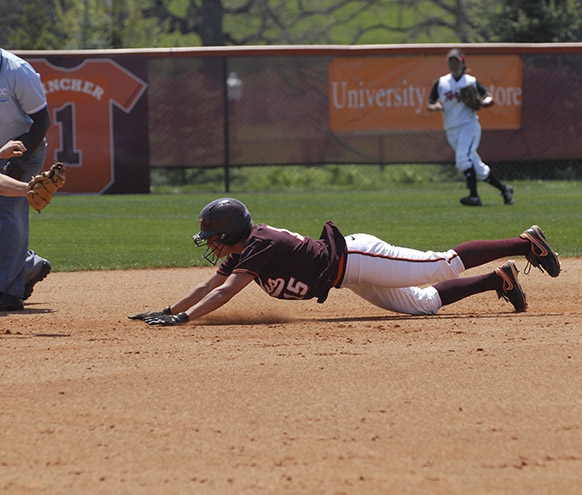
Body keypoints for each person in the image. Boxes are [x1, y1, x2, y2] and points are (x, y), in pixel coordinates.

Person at [129, 198, 560, 326]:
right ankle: (497, 281)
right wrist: (170, 310)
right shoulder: (244, 249)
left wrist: (185, 322)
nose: (211, 243)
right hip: (348, 276)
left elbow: (224, 294)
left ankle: (525, 244)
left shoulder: (261, 243)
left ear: (232, 232)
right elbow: (207, 287)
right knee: (423, 303)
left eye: (214, 235)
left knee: (440, 264)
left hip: (357, 256)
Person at [427, 48, 514, 207]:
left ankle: (474, 197)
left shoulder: (470, 81)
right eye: (451, 62)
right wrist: (436, 106)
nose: (454, 65)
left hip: (469, 126)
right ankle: (505, 189)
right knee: (477, 167)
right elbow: (430, 103)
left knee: (462, 159)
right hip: (451, 129)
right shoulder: (441, 83)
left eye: (457, 62)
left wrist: (483, 103)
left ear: (462, 63)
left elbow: (488, 97)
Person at [0, 49, 52, 311]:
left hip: (24, 149)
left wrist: (19, 160)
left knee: (8, 214)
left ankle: (8, 292)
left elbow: (42, 120)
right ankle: (28, 266)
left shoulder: (17, 71)